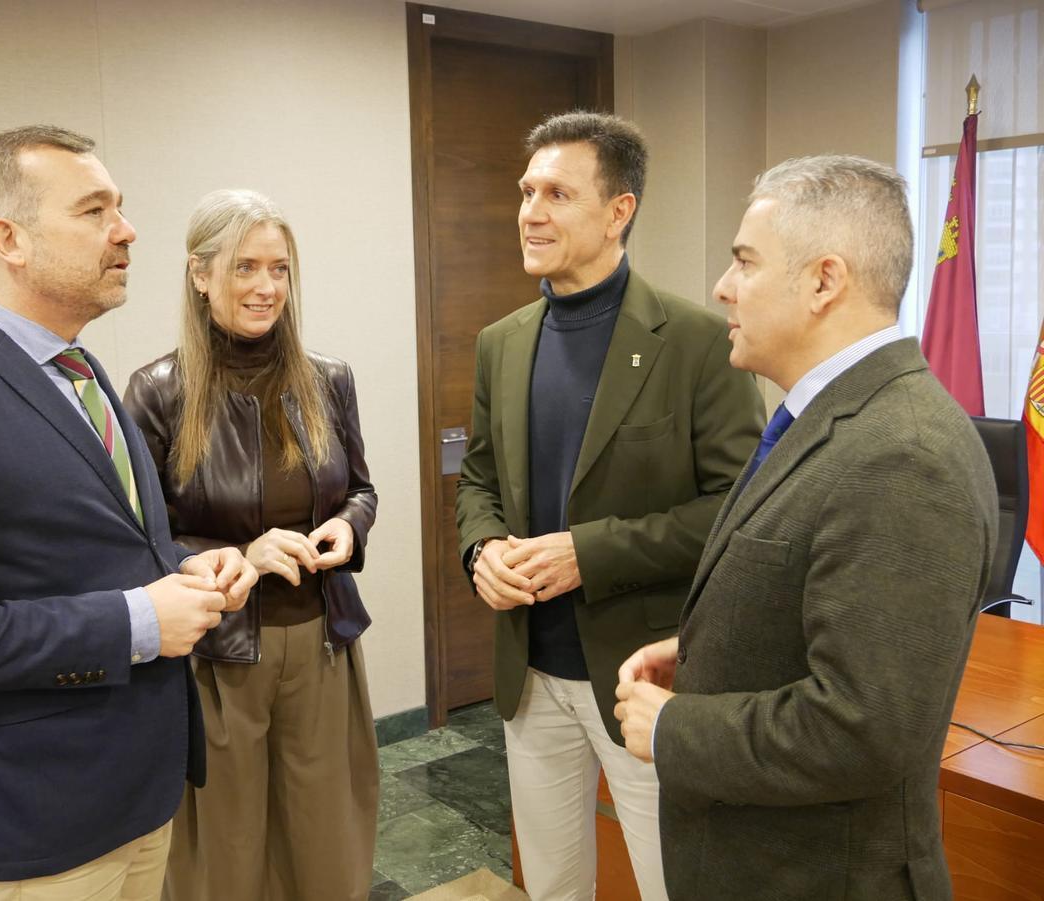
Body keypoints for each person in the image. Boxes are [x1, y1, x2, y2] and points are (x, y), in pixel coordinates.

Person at [0, 125, 257, 900]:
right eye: (95, 210)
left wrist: (183, 568)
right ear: (10, 239)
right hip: (41, 823)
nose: (127, 229)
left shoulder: (78, 367)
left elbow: (98, 551)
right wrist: (138, 620)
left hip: (140, 794)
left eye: (121, 207)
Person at [614, 154, 998, 900]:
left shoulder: (904, 454)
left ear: (824, 280)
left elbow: (864, 726)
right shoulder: (819, 417)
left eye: (744, 263)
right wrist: (702, 651)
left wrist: (674, 730)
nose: (723, 287)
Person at [454, 110, 764, 900]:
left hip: (645, 679)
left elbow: (737, 513)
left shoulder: (698, 341)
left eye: (557, 193)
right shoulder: (502, 340)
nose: (530, 210)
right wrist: (481, 549)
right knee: (552, 885)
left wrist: (585, 553)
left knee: (673, 884)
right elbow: (480, 480)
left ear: (618, 211)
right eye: (527, 191)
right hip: (529, 672)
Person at [124, 188, 378, 901]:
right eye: (245, 267)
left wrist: (348, 525)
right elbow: (140, 542)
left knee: (328, 844)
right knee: (225, 857)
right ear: (201, 274)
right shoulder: (157, 392)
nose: (267, 287)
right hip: (218, 654)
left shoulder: (328, 380)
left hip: (322, 642)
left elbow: (360, 488)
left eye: (280, 268)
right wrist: (243, 553)